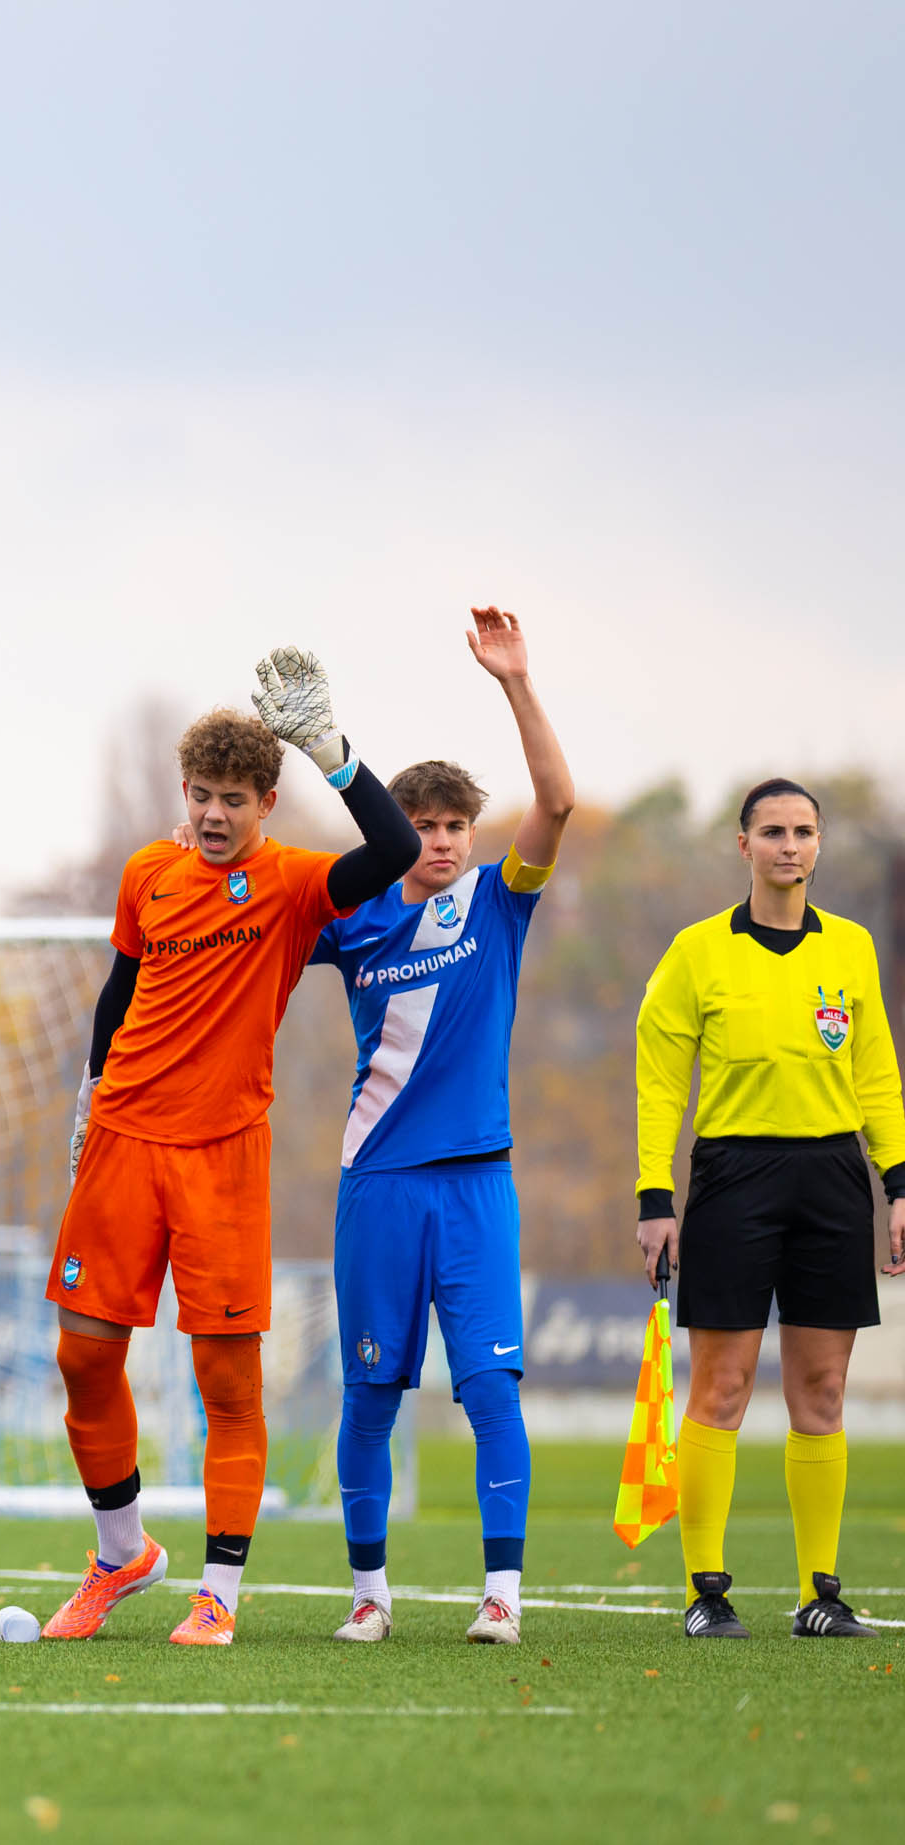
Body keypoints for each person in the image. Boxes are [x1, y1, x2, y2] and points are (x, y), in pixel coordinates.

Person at [43, 650, 417, 1647]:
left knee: (225, 1381)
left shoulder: (294, 885)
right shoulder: (147, 873)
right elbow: (119, 991)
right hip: (120, 1139)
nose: (211, 815)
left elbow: (389, 849)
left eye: (232, 799)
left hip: (220, 1157)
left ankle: (217, 1592)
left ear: (265, 801)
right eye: (199, 795)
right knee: (80, 1357)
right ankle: (120, 1554)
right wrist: (88, 1093)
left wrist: (332, 755)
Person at [308, 608, 575, 1647]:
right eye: (419, 825)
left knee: (485, 1386)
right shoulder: (351, 922)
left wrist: (512, 680)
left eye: (454, 826)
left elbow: (555, 800)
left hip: (474, 1188)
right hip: (375, 1187)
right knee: (370, 1391)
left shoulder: (498, 907)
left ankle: (498, 1595)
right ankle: (369, 1594)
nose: (438, 841)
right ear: (396, 834)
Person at [633, 778, 905, 1639]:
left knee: (821, 1389)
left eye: (804, 832)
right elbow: (661, 1081)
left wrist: (897, 1185)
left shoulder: (851, 949)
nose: (790, 846)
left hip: (831, 1179)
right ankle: (704, 1592)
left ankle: (819, 1594)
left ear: (819, 845)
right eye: (773, 832)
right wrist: (654, 1197)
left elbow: (875, 1076)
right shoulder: (696, 952)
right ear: (741, 845)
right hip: (733, 1179)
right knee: (723, 1384)